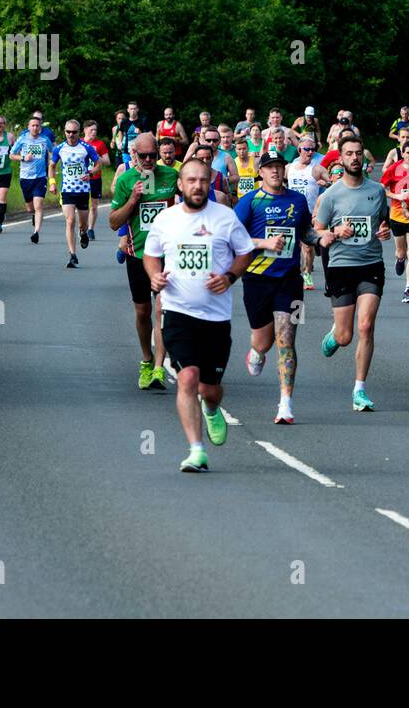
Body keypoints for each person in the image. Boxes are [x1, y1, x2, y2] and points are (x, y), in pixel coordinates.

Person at [144, 159, 255, 472]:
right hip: (177, 311)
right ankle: (196, 450)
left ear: (210, 183)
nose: (197, 186)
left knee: (209, 388)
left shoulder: (225, 217)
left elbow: (245, 250)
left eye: (203, 180)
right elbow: (151, 255)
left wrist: (230, 276)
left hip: (216, 318)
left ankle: (211, 409)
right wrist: (154, 277)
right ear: (180, 184)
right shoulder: (166, 219)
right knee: (187, 378)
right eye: (190, 180)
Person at [235, 148, 321, 425]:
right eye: (269, 167)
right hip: (257, 279)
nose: (275, 171)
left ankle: (285, 402)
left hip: (290, 280)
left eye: (279, 166)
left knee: (287, 339)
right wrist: (263, 243)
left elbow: (306, 232)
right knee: (263, 341)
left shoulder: (297, 200)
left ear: (285, 170)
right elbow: (232, 239)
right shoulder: (250, 202)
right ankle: (257, 352)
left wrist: (323, 237)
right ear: (260, 172)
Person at [313, 135, 393, 412]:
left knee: (366, 326)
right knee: (347, 336)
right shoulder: (331, 196)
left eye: (359, 153)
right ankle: (336, 336)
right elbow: (317, 232)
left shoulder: (377, 190)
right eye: (349, 154)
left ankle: (360, 389)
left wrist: (385, 231)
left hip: (371, 265)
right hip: (340, 266)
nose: (355, 158)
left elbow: (384, 223)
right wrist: (334, 232)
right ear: (341, 158)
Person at [110, 134, 180, 391]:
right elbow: (114, 222)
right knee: (143, 312)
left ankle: (160, 368)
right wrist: (133, 200)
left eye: (153, 155)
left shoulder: (171, 176)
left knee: (162, 310)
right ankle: (147, 360)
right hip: (137, 255)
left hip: (166, 256)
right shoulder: (127, 180)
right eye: (144, 156)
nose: (150, 160)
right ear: (134, 156)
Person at [52, 119, 100, 269]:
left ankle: (83, 233)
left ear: (79, 132)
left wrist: (90, 173)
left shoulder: (86, 147)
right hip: (67, 191)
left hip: (83, 191)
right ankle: (72, 255)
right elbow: (52, 165)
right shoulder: (59, 149)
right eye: (68, 132)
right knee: (70, 220)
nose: (71, 135)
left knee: (83, 224)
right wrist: (52, 182)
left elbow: (98, 164)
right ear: (65, 132)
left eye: (74, 132)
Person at [381, 141, 409, 303]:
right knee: (402, 253)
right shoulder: (394, 169)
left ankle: (408, 289)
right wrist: (397, 196)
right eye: (408, 153)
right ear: (403, 153)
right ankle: (399, 259)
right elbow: (381, 189)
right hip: (397, 216)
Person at [286, 138, 329, 290]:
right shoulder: (289, 168)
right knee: (290, 246)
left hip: (308, 214)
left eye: (313, 149)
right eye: (307, 149)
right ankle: (292, 274)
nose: (311, 152)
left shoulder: (317, 169)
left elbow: (335, 183)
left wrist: (327, 184)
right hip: (290, 214)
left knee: (307, 248)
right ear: (299, 150)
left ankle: (307, 274)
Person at [10, 116, 55, 245]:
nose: (35, 128)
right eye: (33, 125)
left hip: (40, 177)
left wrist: (52, 163)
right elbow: (12, 155)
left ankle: (36, 232)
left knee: (39, 205)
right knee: (30, 209)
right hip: (25, 177)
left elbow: (53, 153)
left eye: (37, 125)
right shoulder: (22, 139)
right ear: (29, 127)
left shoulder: (45, 140)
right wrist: (23, 158)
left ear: (40, 127)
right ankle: (34, 216)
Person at [82, 120, 111, 240]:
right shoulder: (79, 143)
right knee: (82, 206)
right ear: (85, 130)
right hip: (81, 179)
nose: (93, 132)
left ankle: (90, 229)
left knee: (93, 206)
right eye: (91, 130)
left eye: (95, 130)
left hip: (95, 178)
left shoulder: (100, 144)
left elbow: (108, 162)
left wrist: (97, 157)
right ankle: (82, 227)